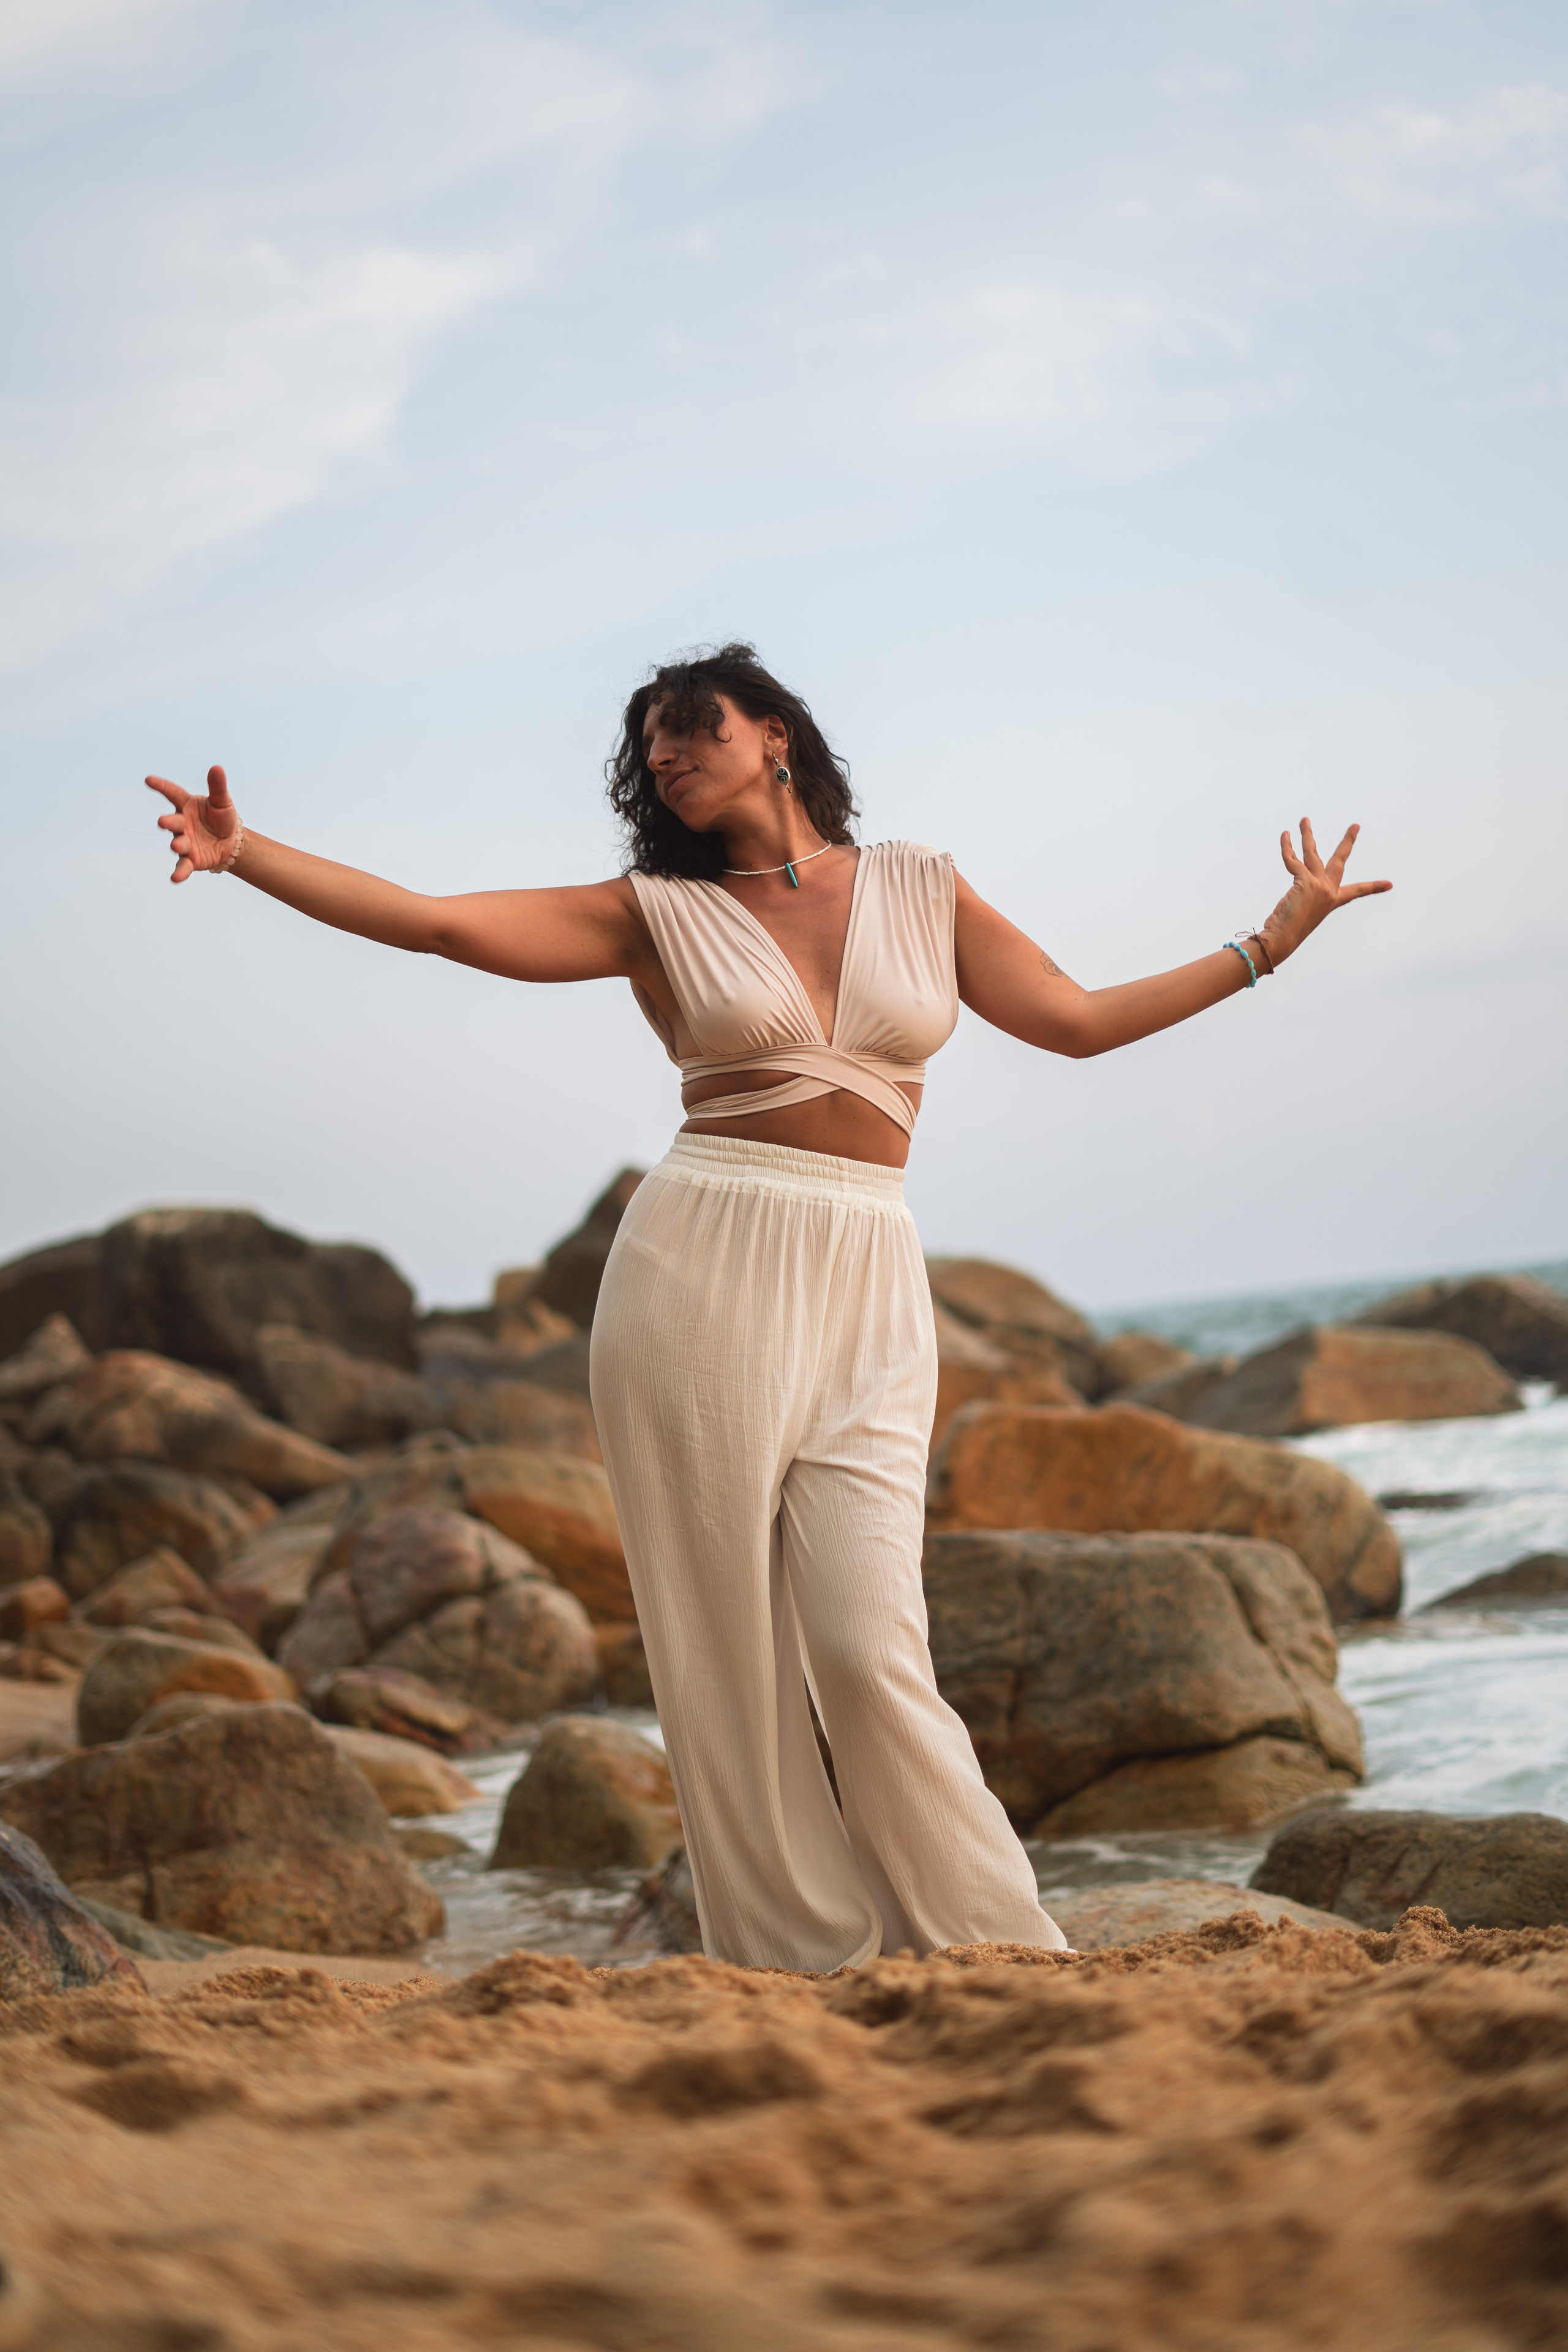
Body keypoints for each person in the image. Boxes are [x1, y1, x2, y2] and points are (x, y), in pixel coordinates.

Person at [146, 641, 1390, 1972]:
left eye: (690, 726)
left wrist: (1268, 942)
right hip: (699, 1267)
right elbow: (442, 924)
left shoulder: (918, 883)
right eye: (649, 745)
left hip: (866, 1274)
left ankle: (995, 1947)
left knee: (868, 1647)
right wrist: (250, 853)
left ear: (775, 735)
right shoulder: (650, 912)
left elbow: (1075, 1022)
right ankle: (805, 1958)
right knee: (726, 1651)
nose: (666, 754)